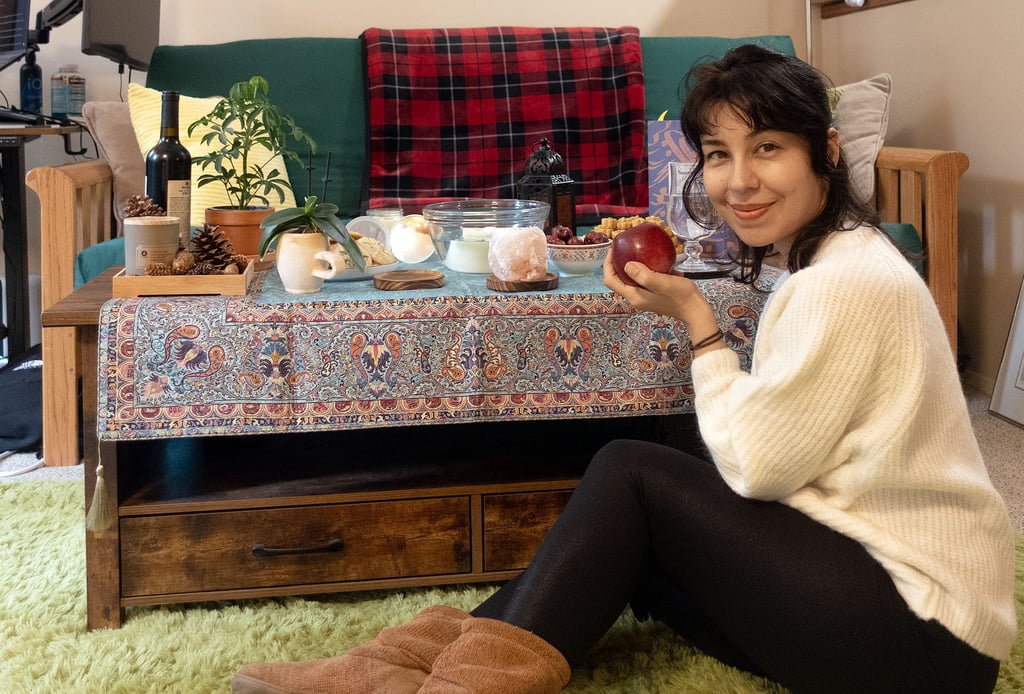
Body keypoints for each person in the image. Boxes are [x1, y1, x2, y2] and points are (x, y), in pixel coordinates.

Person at [231, 44, 1017, 694]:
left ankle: (445, 685)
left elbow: (760, 471)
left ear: (828, 153)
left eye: (768, 147)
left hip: (921, 635)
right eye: (719, 155)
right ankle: (399, 666)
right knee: (625, 535)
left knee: (631, 472)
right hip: (897, 607)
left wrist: (701, 327)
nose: (739, 180)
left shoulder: (840, 283)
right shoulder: (843, 258)